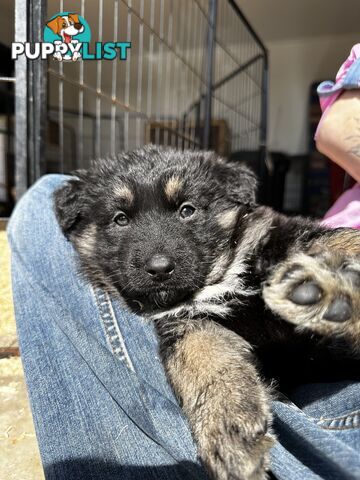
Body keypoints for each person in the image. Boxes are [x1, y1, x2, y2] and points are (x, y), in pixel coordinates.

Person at [7, 48, 360, 480]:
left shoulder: (251, 232)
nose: (157, 257)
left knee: (307, 254)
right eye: (120, 219)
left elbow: (310, 240)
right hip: (287, 380)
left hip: (337, 384)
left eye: (187, 210)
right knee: (182, 325)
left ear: (228, 199)